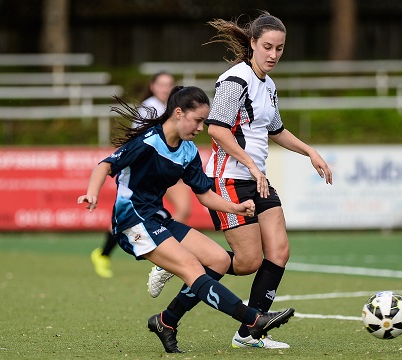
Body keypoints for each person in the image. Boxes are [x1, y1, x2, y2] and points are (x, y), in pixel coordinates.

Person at [148, 11, 333, 349]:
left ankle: (249, 333)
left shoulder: (269, 85)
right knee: (246, 262)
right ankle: (173, 301)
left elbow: (275, 130)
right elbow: (217, 129)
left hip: (255, 178)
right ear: (252, 44)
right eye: (267, 47)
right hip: (228, 180)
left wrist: (310, 152)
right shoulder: (235, 80)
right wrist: (252, 166)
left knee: (279, 251)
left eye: (280, 48)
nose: (274, 54)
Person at [77, 86, 295, 353]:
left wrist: (235, 208)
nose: (201, 128)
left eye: (205, 121)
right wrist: (91, 193)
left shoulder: (188, 152)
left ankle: (166, 321)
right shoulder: (148, 142)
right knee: (192, 266)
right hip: (132, 221)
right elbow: (106, 165)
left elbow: (204, 195)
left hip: (158, 219)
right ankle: (253, 320)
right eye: (198, 120)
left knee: (219, 260)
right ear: (178, 113)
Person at [90, 72, 191, 282]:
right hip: (149, 169)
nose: (165, 88)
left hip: (169, 166)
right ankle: (103, 254)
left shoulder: (176, 109)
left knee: (183, 209)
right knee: (129, 216)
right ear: (153, 87)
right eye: (161, 84)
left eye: (169, 84)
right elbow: (139, 142)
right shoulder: (149, 107)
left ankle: (168, 258)